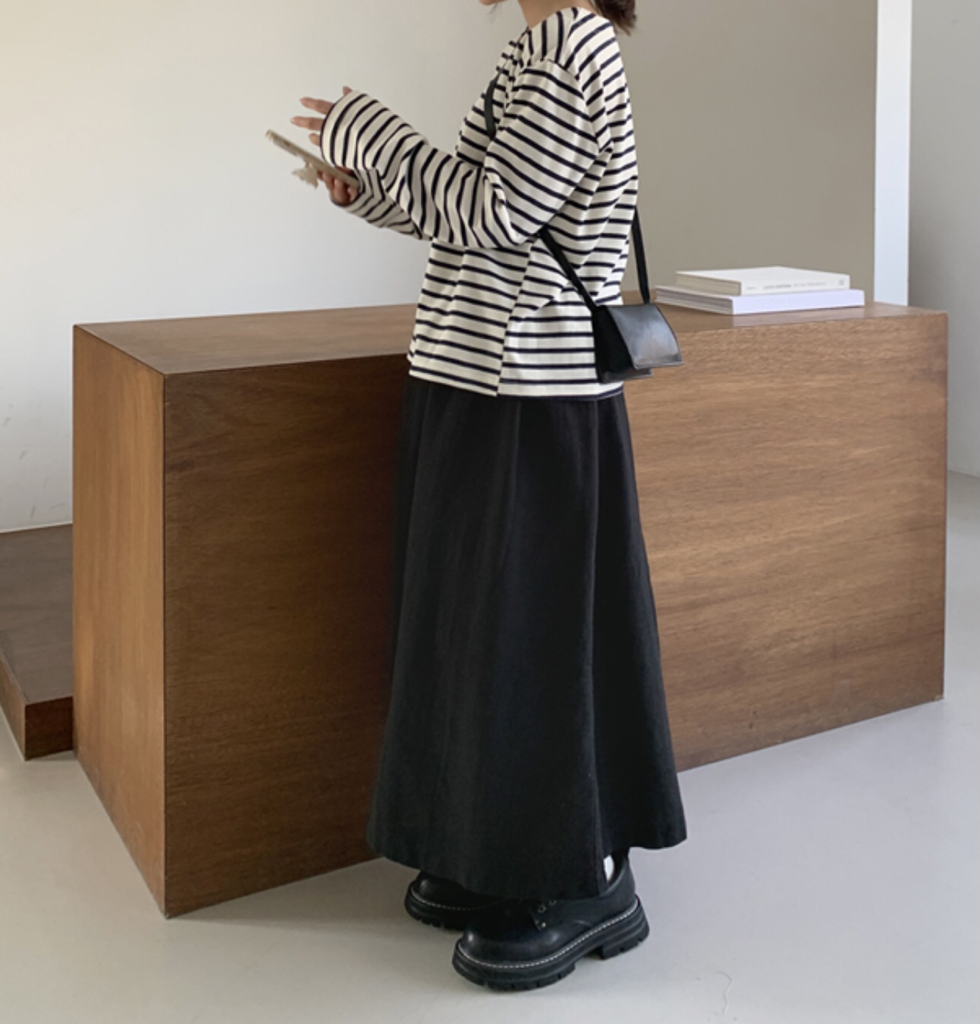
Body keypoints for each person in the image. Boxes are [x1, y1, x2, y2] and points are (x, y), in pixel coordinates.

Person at [290, 0, 687, 991]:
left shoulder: (569, 46)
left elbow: (497, 212)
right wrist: (368, 189)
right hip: (485, 381)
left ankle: (585, 880)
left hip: (532, 393)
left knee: (529, 640)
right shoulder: (538, 47)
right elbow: (479, 216)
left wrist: (373, 132)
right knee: (482, 634)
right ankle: (496, 854)